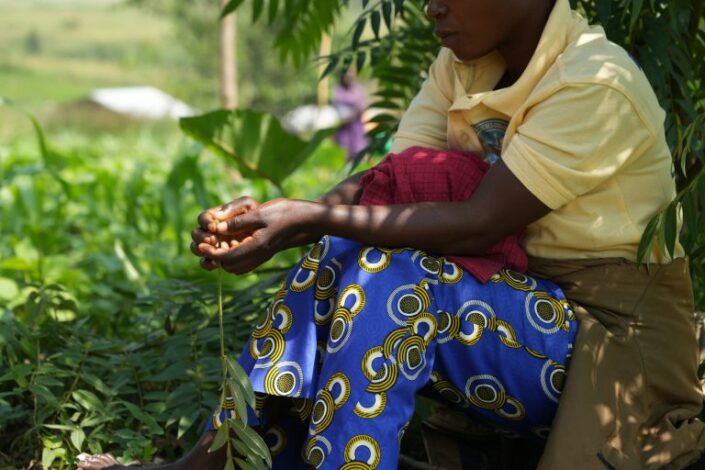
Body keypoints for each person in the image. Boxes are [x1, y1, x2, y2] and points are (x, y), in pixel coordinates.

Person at [78, 0, 705, 468]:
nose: (432, 7)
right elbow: (391, 185)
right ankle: (224, 458)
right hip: (507, 295)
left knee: (390, 275)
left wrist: (310, 216)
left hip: (608, 337)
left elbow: (481, 220)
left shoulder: (595, 82)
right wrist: (280, 220)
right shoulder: (461, 65)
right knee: (346, 247)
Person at [332, 69, 370, 162]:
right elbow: (336, 108)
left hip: (357, 128)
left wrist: (357, 111)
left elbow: (363, 106)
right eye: (347, 74)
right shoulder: (338, 90)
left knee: (360, 154)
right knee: (344, 156)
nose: (349, 77)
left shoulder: (358, 89)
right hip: (344, 129)